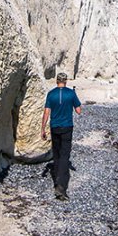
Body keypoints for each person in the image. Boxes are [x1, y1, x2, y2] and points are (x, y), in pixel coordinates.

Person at [41, 72, 82, 200]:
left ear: (56, 81)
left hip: (54, 127)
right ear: (66, 81)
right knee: (65, 155)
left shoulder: (51, 94)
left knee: (57, 154)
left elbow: (46, 112)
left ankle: (57, 179)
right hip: (67, 127)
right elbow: (79, 110)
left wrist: (42, 128)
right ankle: (61, 186)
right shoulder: (71, 93)